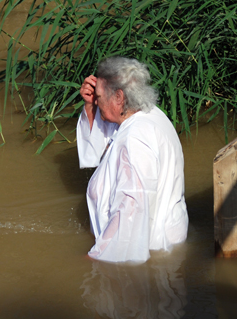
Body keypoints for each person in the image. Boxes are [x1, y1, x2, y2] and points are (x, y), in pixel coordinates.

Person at [77, 56, 188, 263]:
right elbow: (101, 145)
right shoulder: (150, 115)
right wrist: (91, 106)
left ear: (119, 97)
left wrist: (96, 257)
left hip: (149, 247)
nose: (96, 99)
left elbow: (131, 207)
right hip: (166, 240)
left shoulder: (134, 139)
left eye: (99, 96)